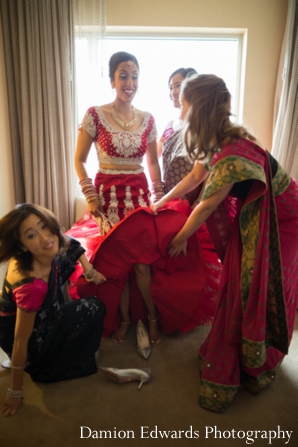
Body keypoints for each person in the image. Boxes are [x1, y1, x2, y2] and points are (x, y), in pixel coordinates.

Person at [152, 74, 298, 411]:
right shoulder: (218, 140)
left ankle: (257, 363)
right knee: (236, 287)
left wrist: (179, 239)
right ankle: (239, 354)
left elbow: (207, 204)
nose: (179, 104)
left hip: (283, 223)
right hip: (260, 217)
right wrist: (160, 204)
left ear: (198, 108)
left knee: (260, 287)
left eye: (184, 100)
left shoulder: (234, 148)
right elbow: (194, 178)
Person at [71, 51, 164, 344]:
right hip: (107, 198)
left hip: (137, 197)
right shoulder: (95, 115)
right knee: (118, 263)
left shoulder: (148, 119)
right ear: (111, 79)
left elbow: (152, 164)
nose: (130, 82)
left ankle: (152, 318)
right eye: (123, 75)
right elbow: (79, 159)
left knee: (141, 262)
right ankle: (123, 319)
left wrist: (158, 196)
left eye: (134, 75)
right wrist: (90, 195)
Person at [0, 204, 107, 417]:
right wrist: (15, 390)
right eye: (31, 235)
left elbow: (69, 242)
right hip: (27, 337)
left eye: (44, 226)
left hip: (39, 314)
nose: (44, 237)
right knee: (95, 308)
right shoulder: (31, 285)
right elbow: (21, 340)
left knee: (60, 251)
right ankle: (39, 365)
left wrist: (90, 271)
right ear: (21, 246)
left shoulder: (52, 244)